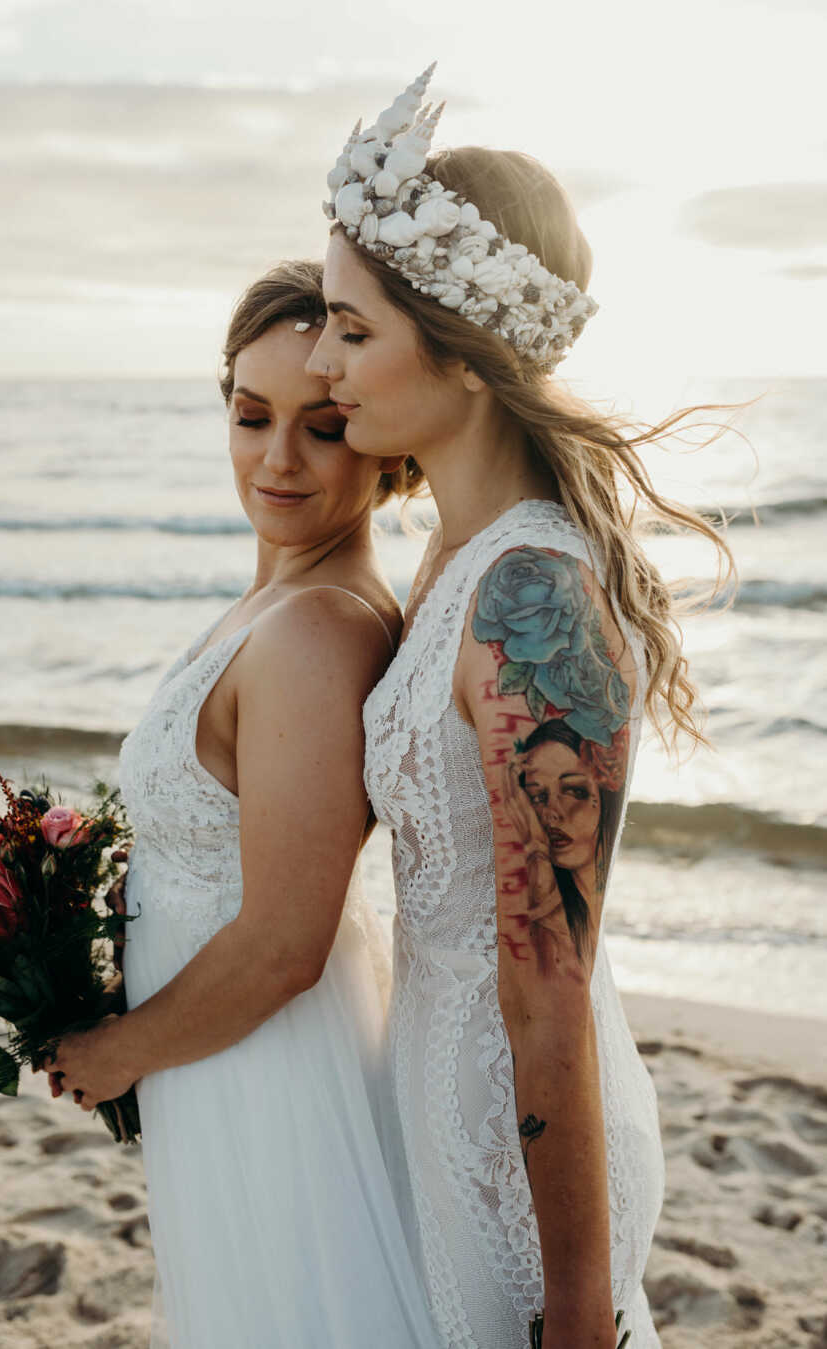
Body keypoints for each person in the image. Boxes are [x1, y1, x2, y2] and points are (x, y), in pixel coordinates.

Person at [307, 65, 737, 1349]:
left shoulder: (528, 593)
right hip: (432, 1084)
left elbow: (549, 983)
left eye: (352, 328)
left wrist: (576, 1305)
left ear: (468, 357)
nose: (323, 359)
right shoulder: (448, 556)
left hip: (517, 1137)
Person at [40, 261, 440, 1349]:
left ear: (387, 442)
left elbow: (283, 940)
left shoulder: (317, 629)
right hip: (216, 1058)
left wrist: (118, 1049)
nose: (277, 457)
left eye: (323, 426)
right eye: (252, 414)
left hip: (273, 1069)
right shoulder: (274, 599)